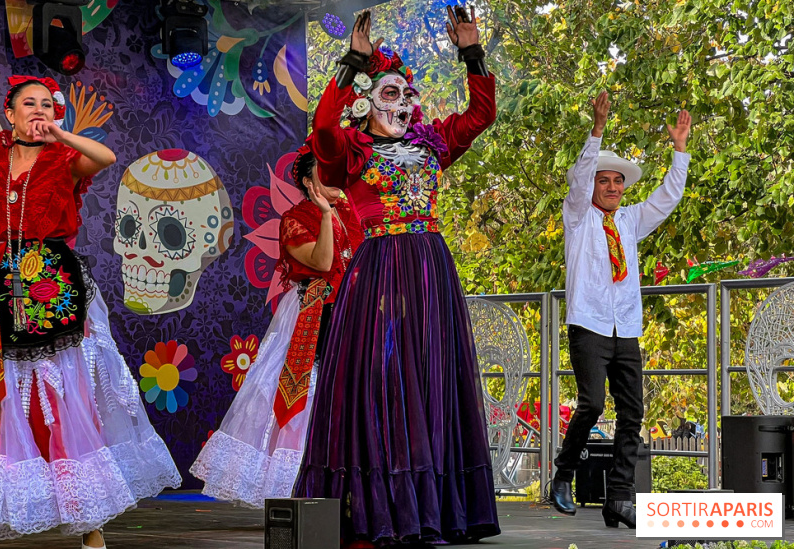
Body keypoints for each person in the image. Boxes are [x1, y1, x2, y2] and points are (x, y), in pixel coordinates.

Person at [293, 7, 500, 546]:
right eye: (390, 95)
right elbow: (321, 130)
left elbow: (479, 116)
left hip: (430, 272)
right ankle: (387, 510)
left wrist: (471, 54)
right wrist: (353, 62)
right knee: (385, 383)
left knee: (429, 380)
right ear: (365, 103)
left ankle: (434, 511)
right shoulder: (351, 152)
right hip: (380, 272)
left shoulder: (432, 145)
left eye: (408, 96)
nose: (403, 105)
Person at [0, 76, 181, 548]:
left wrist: (59, 134)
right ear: (10, 112)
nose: (39, 110)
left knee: (63, 389)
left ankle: (91, 522)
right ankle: (2, 504)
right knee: (1, 385)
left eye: (47, 104)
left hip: (51, 284)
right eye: (30, 103)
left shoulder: (64, 157)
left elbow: (105, 159)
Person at [190, 145, 363, 507]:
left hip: (356, 309)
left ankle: (355, 486)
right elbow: (322, 261)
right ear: (306, 180)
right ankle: (302, 488)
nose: (334, 178)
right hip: (313, 311)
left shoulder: (357, 211)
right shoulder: (295, 220)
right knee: (306, 392)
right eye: (324, 171)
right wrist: (327, 214)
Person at [549, 91, 692, 528]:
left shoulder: (629, 219)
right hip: (589, 325)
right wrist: (597, 128)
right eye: (603, 181)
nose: (611, 188)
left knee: (633, 414)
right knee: (591, 403)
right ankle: (564, 472)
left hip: (625, 327)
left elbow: (666, 199)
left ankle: (620, 499)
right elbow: (576, 182)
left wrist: (680, 150)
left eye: (617, 182)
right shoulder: (578, 215)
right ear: (593, 185)